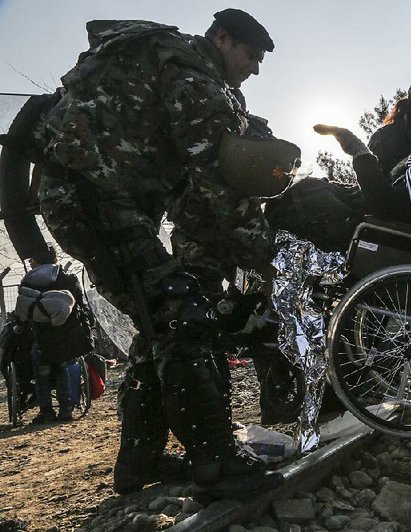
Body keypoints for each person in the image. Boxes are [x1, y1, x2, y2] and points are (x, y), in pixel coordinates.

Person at [32, 9, 287, 501]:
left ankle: (139, 461)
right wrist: (267, 248)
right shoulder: (194, 81)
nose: (254, 69)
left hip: (97, 196)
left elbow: (189, 189)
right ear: (222, 39)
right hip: (93, 197)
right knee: (180, 311)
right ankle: (214, 463)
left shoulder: (178, 68)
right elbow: (216, 179)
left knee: (156, 322)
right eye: (251, 56)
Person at [272, 105, 411, 253]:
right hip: (380, 237)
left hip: (386, 246)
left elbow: (385, 206)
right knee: (305, 187)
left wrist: (360, 152)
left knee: (305, 194)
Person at [18, 245, 87, 423]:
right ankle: (66, 410)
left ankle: (46, 411)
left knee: (41, 373)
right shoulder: (69, 279)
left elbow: (23, 312)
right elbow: (80, 305)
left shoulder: (29, 281)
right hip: (66, 334)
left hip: (41, 335)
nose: (30, 262)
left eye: (32, 259)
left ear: (39, 260)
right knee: (63, 368)